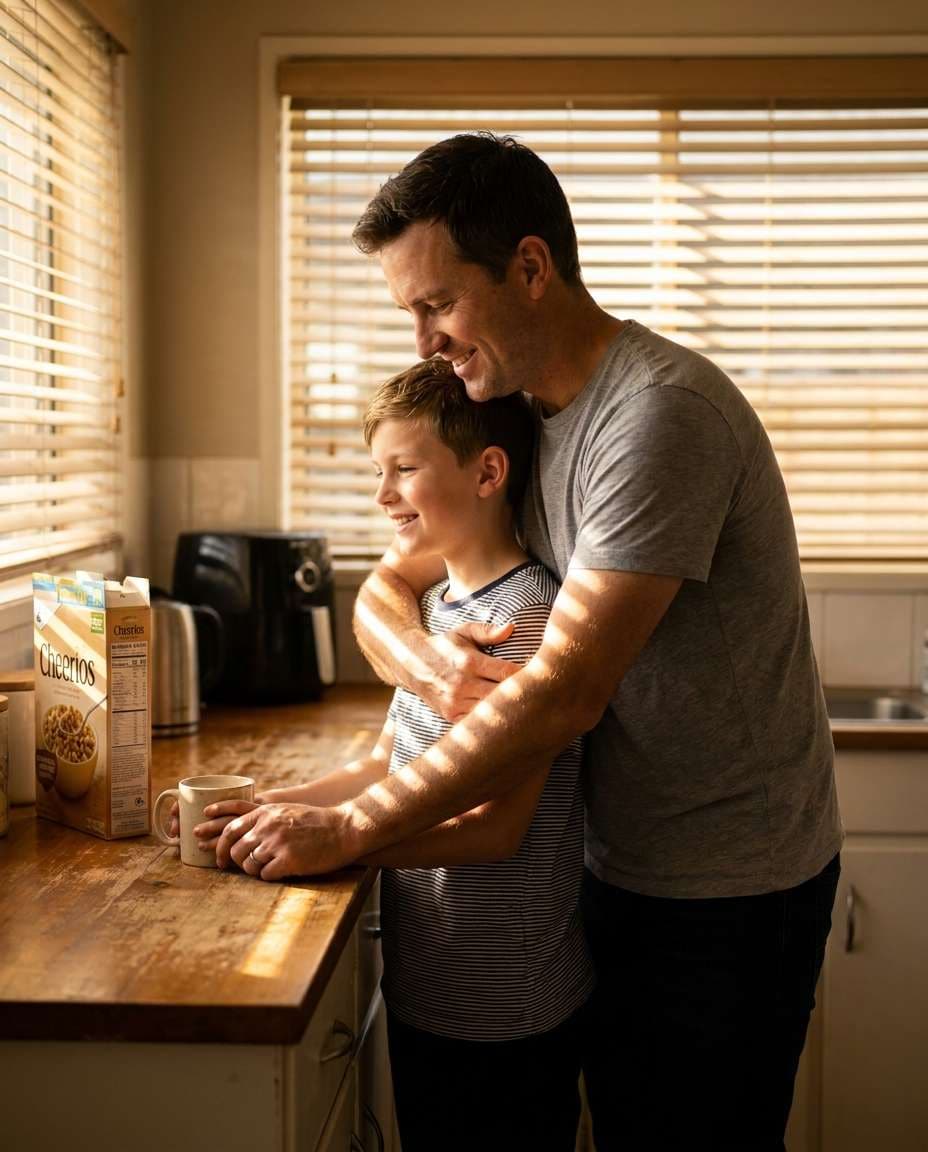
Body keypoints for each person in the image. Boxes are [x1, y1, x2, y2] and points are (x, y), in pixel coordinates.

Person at [211, 133, 843, 1151]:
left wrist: (352, 825)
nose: (424, 340)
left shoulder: (656, 419)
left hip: (728, 886)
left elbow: (563, 695)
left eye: (437, 304)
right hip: (609, 860)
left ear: (531, 267)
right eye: (410, 313)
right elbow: (388, 584)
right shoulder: (520, 413)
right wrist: (429, 665)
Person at [200, 358, 593, 1152]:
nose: (382, 495)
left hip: (504, 1006)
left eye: (404, 469)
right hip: (431, 982)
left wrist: (340, 839)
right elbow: (387, 761)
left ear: (488, 473)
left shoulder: (525, 619)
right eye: (378, 471)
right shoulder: (440, 609)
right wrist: (264, 811)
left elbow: (498, 829)